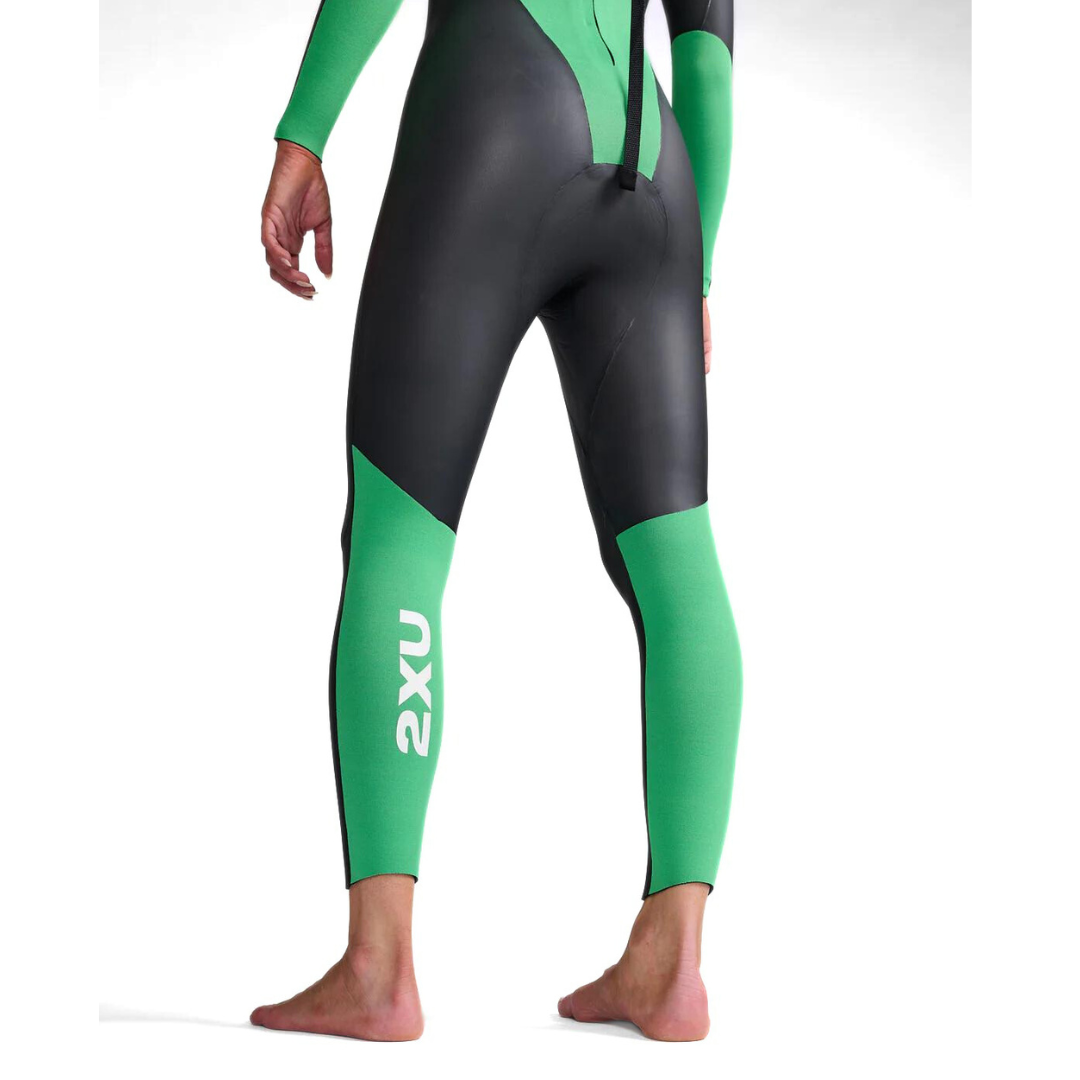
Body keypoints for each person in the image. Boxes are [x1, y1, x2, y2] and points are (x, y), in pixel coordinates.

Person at [252, 0, 740, 1042]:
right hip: (654, 170)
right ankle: (675, 961)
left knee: (399, 533)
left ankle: (378, 970)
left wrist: (304, 133)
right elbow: (707, 64)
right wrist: (696, 267)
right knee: (677, 558)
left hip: (496, 116)